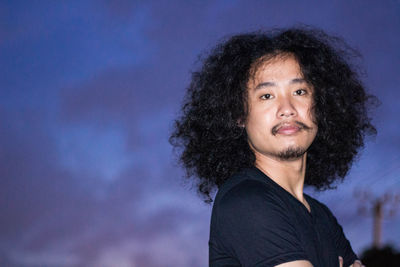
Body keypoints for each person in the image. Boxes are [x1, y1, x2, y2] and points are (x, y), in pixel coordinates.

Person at [170, 27, 376, 267]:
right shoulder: (246, 202)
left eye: (299, 91)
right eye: (267, 95)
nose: (287, 108)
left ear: (321, 106)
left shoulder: (322, 216)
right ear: (239, 115)